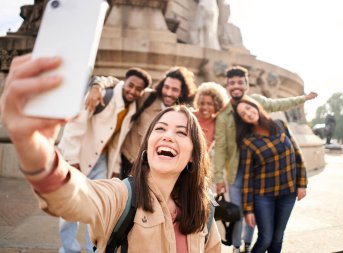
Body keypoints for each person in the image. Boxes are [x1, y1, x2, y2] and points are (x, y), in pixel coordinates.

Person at [0, 54, 222, 252]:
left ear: (194, 154)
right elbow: (76, 196)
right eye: (160, 128)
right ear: (146, 145)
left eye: (181, 132)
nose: (168, 136)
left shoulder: (205, 209)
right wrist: (35, 151)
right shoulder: (122, 196)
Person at [213, 66, 317, 253]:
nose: (236, 86)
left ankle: (247, 243)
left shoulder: (257, 103)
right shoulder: (223, 116)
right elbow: (220, 149)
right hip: (238, 174)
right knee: (239, 214)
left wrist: (304, 98)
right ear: (227, 86)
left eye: (240, 82)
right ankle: (237, 247)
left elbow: (279, 104)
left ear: (246, 84)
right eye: (232, 83)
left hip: (261, 172)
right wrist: (219, 177)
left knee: (257, 219)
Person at [57, 68, 151, 253]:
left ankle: (94, 249)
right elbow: (74, 127)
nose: (132, 91)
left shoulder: (131, 108)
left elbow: (117, 142)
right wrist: (72, 160)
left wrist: (114, 169)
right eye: (130, 85)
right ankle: (68, 249)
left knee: (99, 209)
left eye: (138, 89)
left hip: (102, 162)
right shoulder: (103, 96)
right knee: (71, 208)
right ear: (125, 81)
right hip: (79, 158)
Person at [86, 66, 197, 178]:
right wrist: (96, 86)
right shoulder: (148, 97)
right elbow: (121, 85)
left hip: (151, 171)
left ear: (182, 92)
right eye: (166, 87)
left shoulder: (183, 115)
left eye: (174, 90)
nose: (168, 92)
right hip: (126, 161)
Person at [235, 97, 307, 253]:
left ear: (255, 106)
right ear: (241, 119)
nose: (247, 113)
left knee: (278, 237)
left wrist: (302, 184)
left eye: (248, 108)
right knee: (265, 238)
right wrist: (248, 210)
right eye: (242, 113)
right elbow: (247, 177)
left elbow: (296, 153)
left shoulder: (279, 125)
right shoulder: (248, 142)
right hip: (263, 197)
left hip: (288, 193)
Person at [192, 81, 228, 150]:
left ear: (217, 105)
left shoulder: (218, 121)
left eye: (209, 104)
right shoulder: (190, 116)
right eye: (202, 103)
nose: (205, 107)